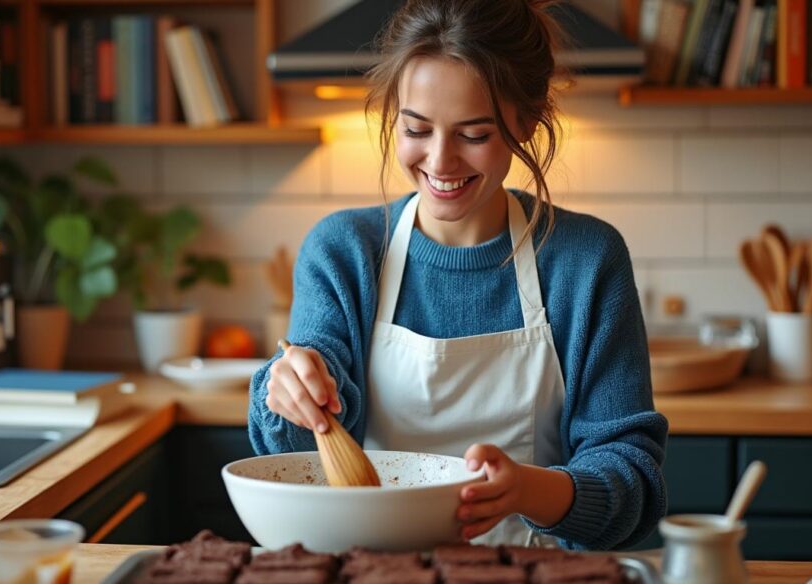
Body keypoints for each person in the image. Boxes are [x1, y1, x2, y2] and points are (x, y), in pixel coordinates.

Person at [248, 0, 667, 550]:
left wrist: (526, 491)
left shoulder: (585, 260)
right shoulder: (345, 251)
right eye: (416, 129)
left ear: (528, 121)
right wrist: (290, 393)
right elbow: (298, 452)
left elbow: (633, 487)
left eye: (473, 135)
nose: (440, 162)